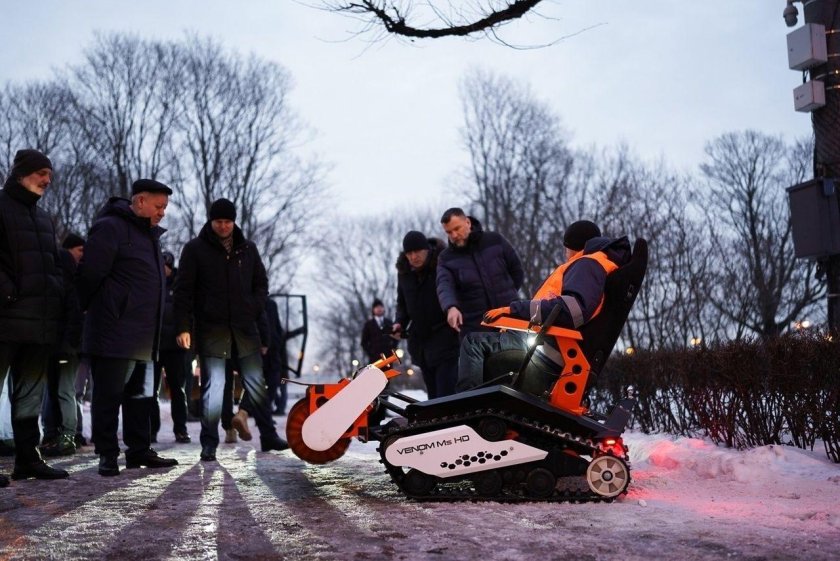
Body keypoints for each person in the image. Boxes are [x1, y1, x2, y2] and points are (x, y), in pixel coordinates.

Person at [76, 178, 179, 476]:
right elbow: (90, 275)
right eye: (158, 206)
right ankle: (107, 453)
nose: (162, 212)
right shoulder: (110, 227)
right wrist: (99, 310)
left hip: (145, 334)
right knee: (108, 395)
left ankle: (138, 449)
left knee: (141, 397)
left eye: (165, 207)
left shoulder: (149, 236)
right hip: (114, 331)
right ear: (140, 201)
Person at [174, 198, 288, 462]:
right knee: (213, 388)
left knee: (256, 383)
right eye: (219, 221)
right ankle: (209, 443)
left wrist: (253, 306)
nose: (223, 226)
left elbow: (261, 283)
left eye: (228, 221)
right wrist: (183, 327)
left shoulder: (248, 249)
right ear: (211, 221)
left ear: (234, 222)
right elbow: (183, 292)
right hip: (212, 330)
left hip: (245, 329)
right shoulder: (194, 249)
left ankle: (268, 434)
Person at [456, 220, 631, 392]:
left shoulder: (587, 265)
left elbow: (572, 311)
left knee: (473, 343)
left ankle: (468, 403)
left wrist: (513, 310)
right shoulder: (597, 265)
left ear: (572, 247)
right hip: (553, 346)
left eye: (565, 248)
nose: (565, 254)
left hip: (546, 350)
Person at [0, 149, 69, 485]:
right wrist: (7, 293)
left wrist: (56, 293)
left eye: (50, 175)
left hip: (39, 321)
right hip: (5, 317)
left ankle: (28, 459)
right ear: (21, 173)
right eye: (42, 173)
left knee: (30, 394)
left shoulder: (43, 218)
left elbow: (53, 265)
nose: (47, 180)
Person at [436, 208, 524, 341]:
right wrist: (451, 307)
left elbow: (516, 270)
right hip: (475, 327)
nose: (454, 235)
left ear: (468, 222)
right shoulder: (446, 258)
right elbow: (444, 285)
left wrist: (507, 294)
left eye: (457, 229)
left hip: (510, 318)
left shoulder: (495, 240)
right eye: (449, 232)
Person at [393, 231, 460, 398]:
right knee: (433, 395)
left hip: (446, 337)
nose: (413, 257)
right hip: (421, 344)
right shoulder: (404, 274)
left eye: (417, 251)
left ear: (427, 249)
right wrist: (399, 322)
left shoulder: (442, 265)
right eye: (409, 253)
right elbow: (402, 303)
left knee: (446, 392)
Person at [40, 235, 85, 457]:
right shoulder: (72, 286)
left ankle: (64, 434)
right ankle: (63, 434)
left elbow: (71, 320)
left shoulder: (62, 288)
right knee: (61, 391)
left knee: (62, 391)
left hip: (62, 346)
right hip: (64, 346)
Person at [151, 250, 192, 444]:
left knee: (178, 390)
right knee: (151, 391)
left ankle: (180, 429)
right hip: (154, 345)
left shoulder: (180, 285)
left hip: (175, 347)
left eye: (165, 266)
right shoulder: (151, 283)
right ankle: (152, 430)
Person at [361, 298, 398, 364]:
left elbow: (396, 338)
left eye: (381, 307)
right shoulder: (368, 324)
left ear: (383, 308)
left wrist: (392, 350)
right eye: (377, 307)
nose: (379, 309)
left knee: (389, 371)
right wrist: (370, 353)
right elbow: (364, 342)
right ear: (373, 309)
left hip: (388, 357)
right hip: (374, 358)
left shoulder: (389, 323)